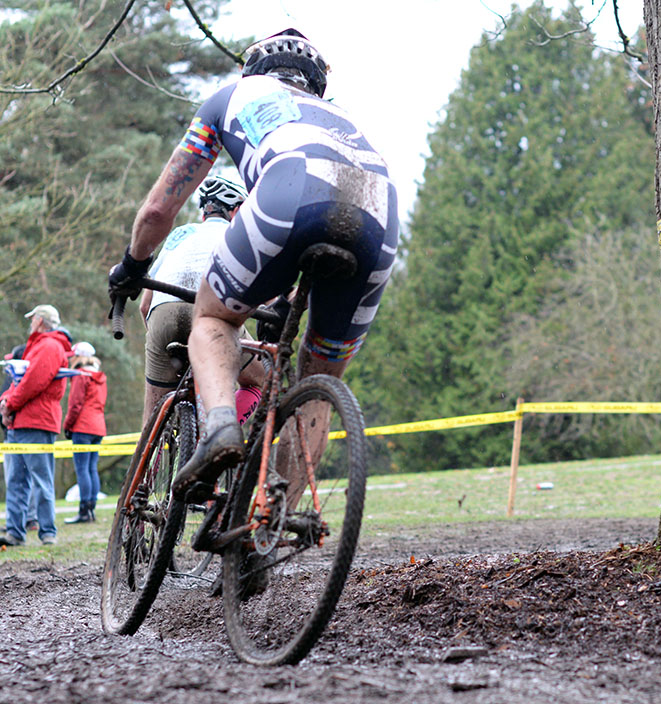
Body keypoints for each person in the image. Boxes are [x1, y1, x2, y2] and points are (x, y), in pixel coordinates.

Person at [109, 28, 398, 503]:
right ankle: (272, 517)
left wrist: (131, 263)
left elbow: (160, 210)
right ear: (314, 84)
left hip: (293, 189)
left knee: (214, 319)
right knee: (318, 381)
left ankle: (220, 430)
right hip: (379, 217)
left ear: (254, 70)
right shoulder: (340, 118)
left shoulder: (231, 96)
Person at [137, 175, 267, 426]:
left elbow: (144, 306)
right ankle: (209, 439)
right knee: (261, 380)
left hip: (161, 316)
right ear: (237, 209)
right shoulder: (238, 234)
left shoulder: (180, 235)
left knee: (152, 417)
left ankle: (145, 461)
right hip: (211, 316)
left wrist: (161, 340)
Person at [0, 304, 72, 546]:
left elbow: (32, 382)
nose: (30, 323)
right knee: (16, 481)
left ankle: (47, 532)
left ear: (40, 321)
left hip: (36, 422)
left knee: (41, 480)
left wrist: (10, 404)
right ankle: (15, 532)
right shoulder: (39, 346)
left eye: (32, 319)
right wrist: (6, 402)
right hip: (22, 422)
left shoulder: (49, 346)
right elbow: (19, 381)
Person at [63, 342, 107, 524]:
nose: (71, 359)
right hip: (98, 427)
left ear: (79, 356)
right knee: (91, 468)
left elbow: (75, 405)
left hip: (82, 427)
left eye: (73, 355)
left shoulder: (81, 376)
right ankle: (91, 509)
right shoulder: (100, 377)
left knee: (82, 469)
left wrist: (67, 425)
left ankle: (83, 511)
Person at [1, 344, 40, 532]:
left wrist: (6, 411)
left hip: (18, 432)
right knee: (20, 480)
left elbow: (11, 399)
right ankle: (19, 523)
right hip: (14, 432)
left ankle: (29, 519)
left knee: (22, 479)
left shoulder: (18, 376)